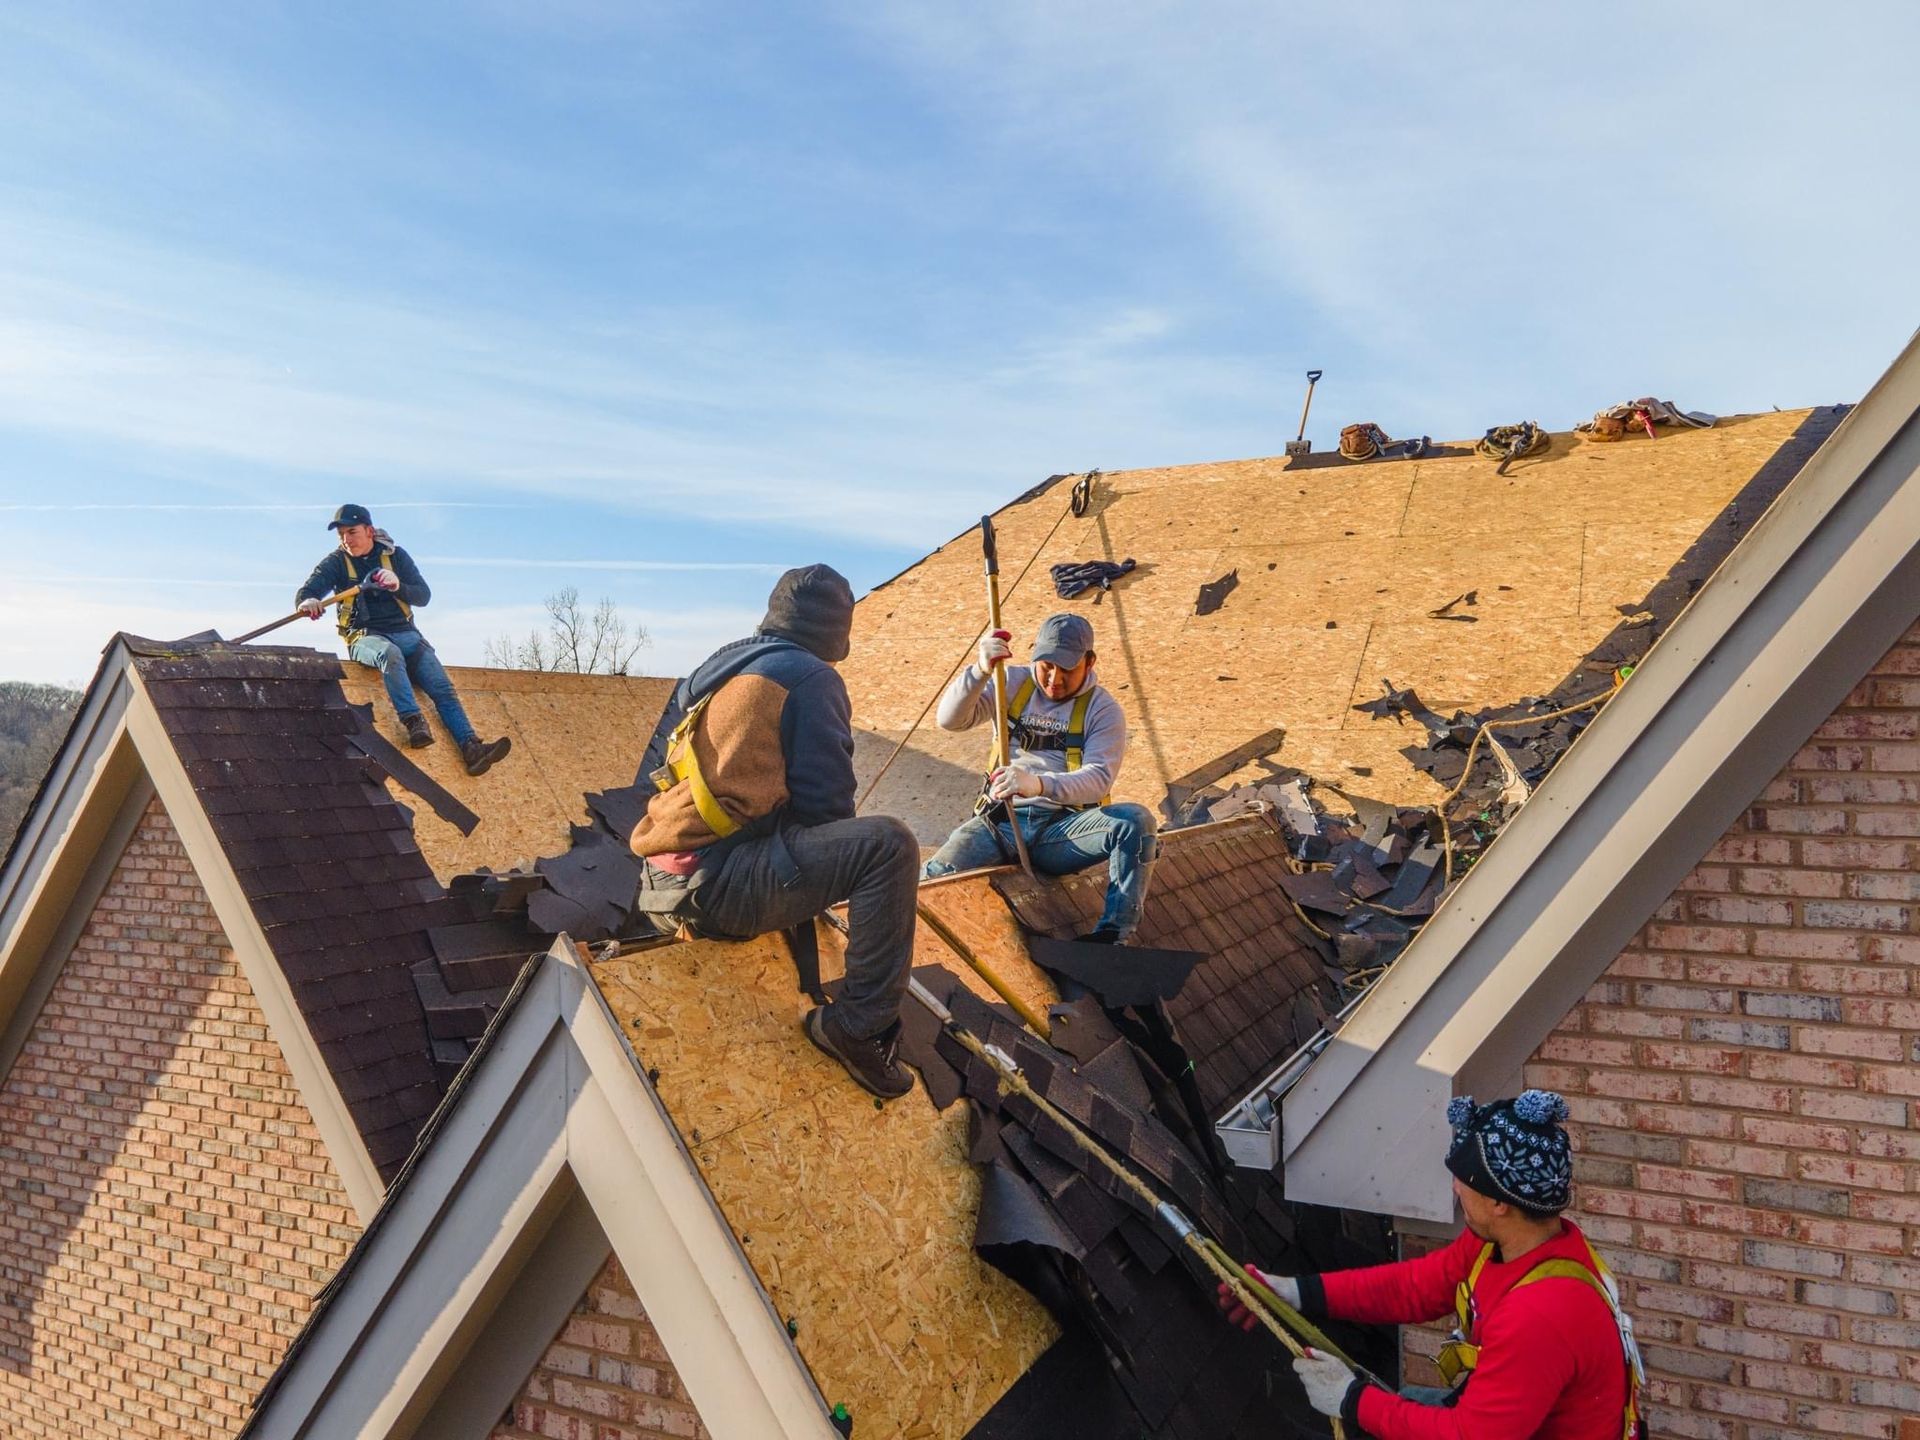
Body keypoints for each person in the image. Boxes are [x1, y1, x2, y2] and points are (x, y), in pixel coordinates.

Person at [628, 564, 919, 1101]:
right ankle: (859, 1028)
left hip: (660, 878)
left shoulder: (718, 669)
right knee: (889, 846)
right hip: (715, 890)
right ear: (837, 633)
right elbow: (826, 807)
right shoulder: (812, 678)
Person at [1220, 1090, 1643, 1440]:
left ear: (1499, 1202)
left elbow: (1467, 1436)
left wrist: (1352, 1400)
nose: (1455, 1187)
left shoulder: (1542, 1313)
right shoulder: (1505, 1245)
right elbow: (1414, 1287)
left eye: (1464, 1179)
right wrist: (1297, 1293)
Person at [923, 613, 1158, 943]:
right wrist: (978, 672)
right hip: (999, 823)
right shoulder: (1010, 683)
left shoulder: (1103, 710)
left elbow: (1099, 778)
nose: (1054, 679)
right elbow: (950, 720)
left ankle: (1111, 939)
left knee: (1135, 821)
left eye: (1067, 669)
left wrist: (1039, 785)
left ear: (1089, 662)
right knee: (934, 877)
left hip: (1060, 831)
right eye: (1047, 665)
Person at [296, 504, 512, 777]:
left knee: (442, 687)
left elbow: (423, 596)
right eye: (341, 535)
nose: (346, 540)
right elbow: (307, 591)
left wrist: (399, 586)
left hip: (407, 634)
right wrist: (308, 601)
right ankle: (414, 722)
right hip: (365, 637)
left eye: (352, 532)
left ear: (370, 531)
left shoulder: (396, 557)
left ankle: (472, 748)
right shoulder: (336, 562)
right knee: (391, 655)